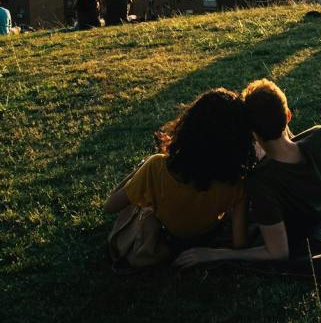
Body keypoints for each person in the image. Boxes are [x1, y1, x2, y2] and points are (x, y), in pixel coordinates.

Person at [173, 80, 321, 267]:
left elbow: (277, 252)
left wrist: (214, 254)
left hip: (320, 206)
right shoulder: (319, 137)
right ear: (288, 115)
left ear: (252, 133)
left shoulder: (260, 182)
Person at [104, 88, 256, 267]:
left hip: (165, 235)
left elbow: (110, 205)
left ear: (189, 127)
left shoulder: (157, 168)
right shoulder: (236, 181)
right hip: (205, 235)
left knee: (141, 205)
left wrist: (142, 167)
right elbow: (240, 244)